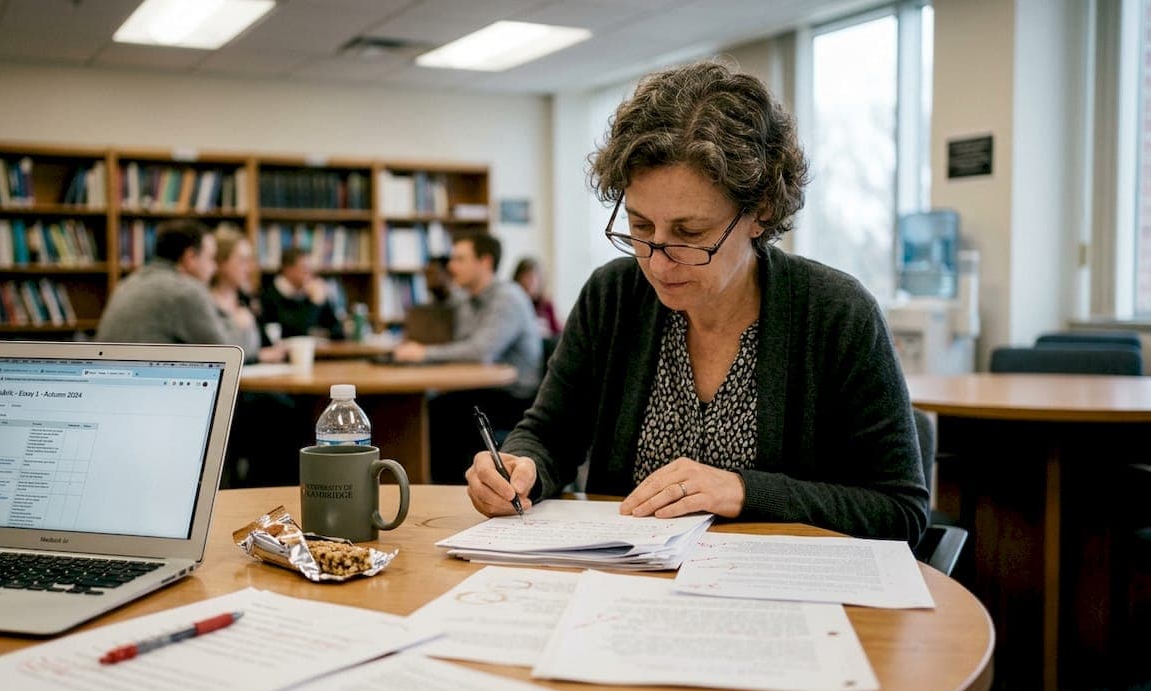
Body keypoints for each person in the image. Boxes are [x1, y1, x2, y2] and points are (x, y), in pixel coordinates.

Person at [464, 61, 929, 546]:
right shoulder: (614, 296)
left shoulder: (835, 313)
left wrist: (745, 491)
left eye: (690, 234)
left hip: (779, 599)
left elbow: (900, 511)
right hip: (623, 589)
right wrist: (520, 467)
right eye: (641, 227)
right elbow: (550, 433)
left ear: (760, 211)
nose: (658, 263)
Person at [393, 233, 542, 483]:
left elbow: (480, 352)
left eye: (460, 259)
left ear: (485, 262)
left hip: (515, 396)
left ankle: (449, 491)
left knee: (441, 414)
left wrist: (423, 353)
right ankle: (439, 487)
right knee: (432, 407)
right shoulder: (465, 298)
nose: (451, 266)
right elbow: (463, 347)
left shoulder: (508, 297)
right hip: (483, 389)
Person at [96, 219, 231, 345]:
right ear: (190, 258)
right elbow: (229, 350)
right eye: (211, 258)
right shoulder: (186, 292)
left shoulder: (126, 284)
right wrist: (243, 321)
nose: (214, 267)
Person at [210, 225, 285, 364]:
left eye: (250, 260)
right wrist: (258, 357)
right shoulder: (205, 302)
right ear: (221, 262)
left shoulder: (248, 299)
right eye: (242, 260)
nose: (249, 268)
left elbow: (269, 345)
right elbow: (214, 357)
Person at [259, 247, 344, 340]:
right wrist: (315, 303)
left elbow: (338, 331)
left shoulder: (313, 290)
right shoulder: (270, 296)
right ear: (288, 269)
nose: (310, 273)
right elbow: (295, 331)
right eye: (305, 268)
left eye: (311, 268)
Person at [513, 256, 561, 337]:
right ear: (518, 278)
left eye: (534, 278)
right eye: (526, 277)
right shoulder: (512, 304)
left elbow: (558, 333)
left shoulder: (546, 305)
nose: (530, 283)